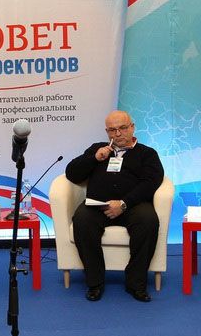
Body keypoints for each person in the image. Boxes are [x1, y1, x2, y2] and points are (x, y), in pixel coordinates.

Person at [65, 110, 164, 302]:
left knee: (148, 220)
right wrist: (94, 158)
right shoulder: (98, 149)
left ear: (132, 127)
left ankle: (136, 283)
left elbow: (151, 182)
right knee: (82, 219)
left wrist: (124, 203)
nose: (118, 134)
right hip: (98, 206)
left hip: (133, 205)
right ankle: (95, 283)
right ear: (107, 132)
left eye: (123, 128)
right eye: (112, 130)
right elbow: (72, 174)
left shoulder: (147, 153)